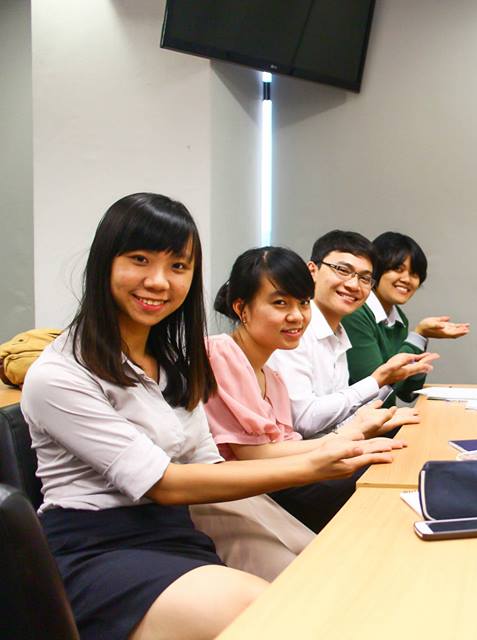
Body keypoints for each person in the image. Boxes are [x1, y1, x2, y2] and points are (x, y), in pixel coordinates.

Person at [21, 194, 396, 640]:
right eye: (140, 260)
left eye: (178, 266)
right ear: (105, 262)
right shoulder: (59, 374)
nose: (159, 281)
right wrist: (316, 461)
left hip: (178, 527)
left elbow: (206, 462)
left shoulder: (175, 362)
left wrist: (331, 449)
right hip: (100, 545)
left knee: (328, 583)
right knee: (275, 613)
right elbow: (164, 482)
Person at [205, 246, 407, 532]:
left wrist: (356, 436)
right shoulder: (221, 353)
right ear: (241, 309)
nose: (297, 316)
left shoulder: (272, 377)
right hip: (235, 496)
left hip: (270, 482)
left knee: (388, 462)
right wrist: (351, 437)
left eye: (303, 303)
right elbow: (254, 455)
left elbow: (286, 445)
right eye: (280, 303)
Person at [269, 230, 438, 436]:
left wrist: (381, 413)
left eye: (365, 278)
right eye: (342, 270)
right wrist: (379, 380)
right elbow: (304, 422)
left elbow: (336, 422)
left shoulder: (339, 332)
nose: (353, 285)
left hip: (334, 447)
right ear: (312, 271)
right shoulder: (293, 329)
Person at [342, 232, 469, 408]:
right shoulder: (356, 313)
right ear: (376, 270)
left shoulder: (399, 318)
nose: (407, 279)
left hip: (385, 419)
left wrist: (420, 348)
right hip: (361, 421)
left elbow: (407, 393)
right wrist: (417, 337)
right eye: (398, 269)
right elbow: (374, 391)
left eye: (414, 274)